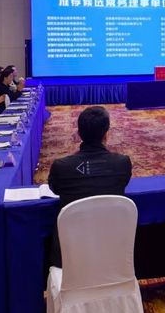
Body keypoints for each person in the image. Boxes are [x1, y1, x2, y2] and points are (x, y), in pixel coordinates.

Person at [48, 106, 133, 267]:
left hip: (69, 255)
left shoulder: (61, 167)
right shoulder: (122, 164)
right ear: (106, 134)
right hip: (112, 250)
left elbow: (55, 188)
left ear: (79, 134)